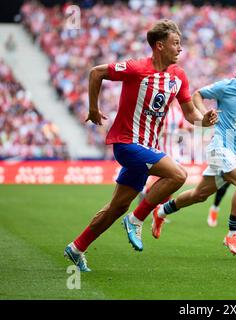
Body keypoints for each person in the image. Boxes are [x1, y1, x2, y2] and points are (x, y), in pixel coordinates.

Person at [64, 19, 217, 272]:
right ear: (159, 46)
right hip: (126, 144)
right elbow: (96, 72)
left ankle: (77, 247)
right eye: (175, 43)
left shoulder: (178, 76)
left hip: (146, 147)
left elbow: (190, 113)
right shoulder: (136, 68)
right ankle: (137, 219)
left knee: (117, 206)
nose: (180, 48)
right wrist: (93, 108)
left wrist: (205, 120)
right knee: (178, 174)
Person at [152, 48, 236, 257]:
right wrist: (202, 113)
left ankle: (161, 211)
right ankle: (233, 234)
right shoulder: (225, 87)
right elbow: (198, 94)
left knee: (199, 195)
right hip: (219, 148)